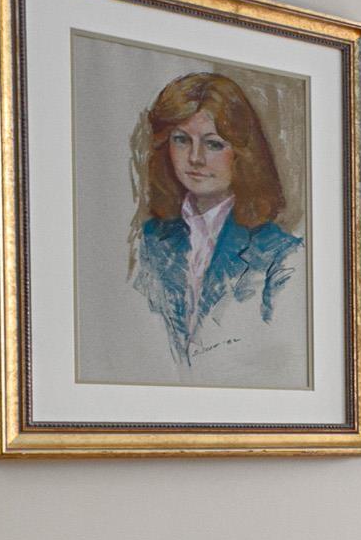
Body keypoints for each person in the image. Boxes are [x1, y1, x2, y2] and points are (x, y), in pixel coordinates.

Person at [128, 72, 303, 371]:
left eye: (213, 144)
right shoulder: (150, 240)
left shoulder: (280, 252)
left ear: (242, 153)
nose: (195, 158)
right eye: (181, 140)